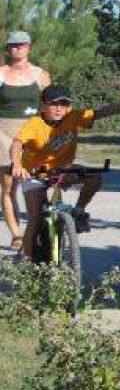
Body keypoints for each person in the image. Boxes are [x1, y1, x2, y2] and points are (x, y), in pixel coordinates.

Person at [10, 85, 120, 258]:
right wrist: (17, 165)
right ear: (42, 106)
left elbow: (101, 112)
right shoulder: (34, 124)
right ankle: (27, 261)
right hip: (34, 172)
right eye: (53, 104)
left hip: (63, 169)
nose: (58, 108)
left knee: (94, 177)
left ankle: (78, 211)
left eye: (63, 104)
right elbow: (17, 144)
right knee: (34, 220)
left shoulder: (73, 117)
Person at [0, 31, 51, 251]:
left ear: (29, 47)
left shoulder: (41, 75)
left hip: (33, 131)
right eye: (12, 45)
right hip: (4, 131)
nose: (16, 48)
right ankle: (16, 234)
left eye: (20, 45)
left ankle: (39, 225)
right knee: (9, 186)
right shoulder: (1, 73)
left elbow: (50, 105)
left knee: (38, 181)